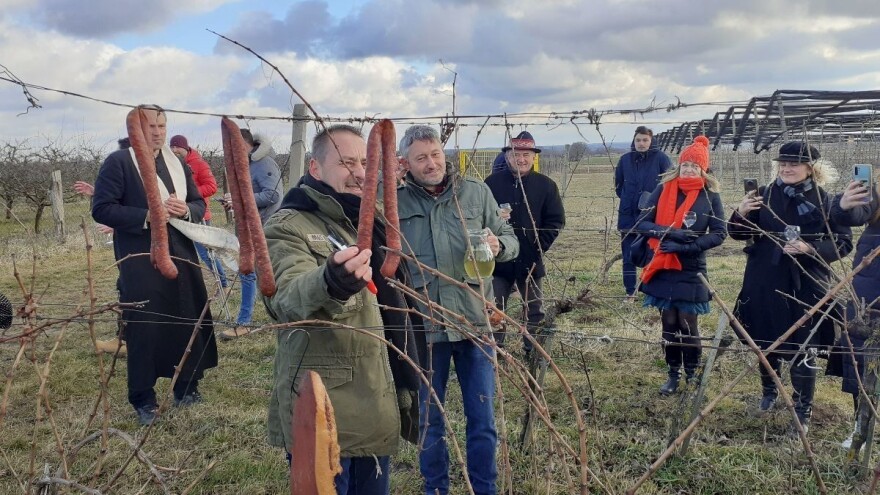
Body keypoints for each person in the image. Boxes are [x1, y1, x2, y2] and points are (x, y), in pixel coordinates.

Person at [262, 124, 404, 493]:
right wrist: (330, 281)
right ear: (315, 168)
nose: (358, 171)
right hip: (325, 403)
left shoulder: (371, 219)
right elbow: (286, 299)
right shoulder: (287, 225)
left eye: (364, 162)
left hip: (375, 398)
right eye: (345, 162)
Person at [397, 125, 519, 495]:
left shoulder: (475, 192)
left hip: (475, 323)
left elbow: (510, 239)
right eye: (421, 157)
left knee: (481, 419)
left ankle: (485, 488)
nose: (431, 163)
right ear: (406, 163)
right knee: (430, 419)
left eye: (435, 154)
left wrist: (500, 245)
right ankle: (435, 488)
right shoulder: (395, 202)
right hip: (425, 326)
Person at [92, 104, 217, 425]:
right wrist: (148, 215)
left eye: (162, 125)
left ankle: (186, 386)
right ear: (135, 129)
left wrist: (185, 208)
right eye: (151, 126)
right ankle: (143, 397)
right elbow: (103, 209)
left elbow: (199, 202)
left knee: (187, 316)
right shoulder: (119, 162)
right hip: (140, 257)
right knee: (145, 324)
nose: (158, 132)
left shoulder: (178, 162)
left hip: (183, 254)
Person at [729, 141, 852, 432]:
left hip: (806, 282)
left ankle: (802, 409)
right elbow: (737, 233)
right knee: (764, 339)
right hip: (764, 279)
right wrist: (741, 213)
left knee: (803, 343)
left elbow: (844, 243)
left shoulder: (827, 201)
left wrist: (810, 247)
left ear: (811, 169)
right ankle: (769, 394)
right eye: (782, 163)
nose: (786, 168)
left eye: (793, 164)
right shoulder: (763, 195)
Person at [636, 136, 726, 395]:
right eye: (685, 164)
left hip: (690, 267)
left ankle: (693, 374)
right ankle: (673, 373)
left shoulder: (709, 196)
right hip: (662, 263)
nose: (688, 169)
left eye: (694, 166)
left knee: (688, 324)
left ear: (703, 170)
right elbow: (642, 223)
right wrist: (667, 233)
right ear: (679, 166)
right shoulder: (664, 189)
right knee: (668, 323)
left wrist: (686, 246)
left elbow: (720, 233)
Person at [485, 131, 565, 356]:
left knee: (534, 309)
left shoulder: (546, 186)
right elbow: (481, 217)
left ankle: (533, 350)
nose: (521, 159)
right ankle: (495, 351)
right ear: (507, 156)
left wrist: (537, 249)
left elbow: (555, 221)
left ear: (533, 157)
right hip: (498, 261)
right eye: (516, 154)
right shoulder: (491, 184)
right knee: (494, 307)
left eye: (526, 154)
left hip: (531, 260)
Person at [827, 167, 880, 447]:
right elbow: (854, 214)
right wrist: (844, 205)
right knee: (861, 355)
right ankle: (861, 425)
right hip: (870, 289)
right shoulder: (877, 190)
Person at [218, 129, 283, 339]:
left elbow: (272, 195)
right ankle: (278, 314)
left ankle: (244, 322)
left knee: (248, 272)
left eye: (234, 146)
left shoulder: (263, 163)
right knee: (256, 272)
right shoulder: (246, 164)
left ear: (246, 144)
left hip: (262, 227)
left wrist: (240, 200)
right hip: (248, 227)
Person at [614, 126, 672, 300]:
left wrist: (652, 201)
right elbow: (618, 186)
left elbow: (669, 184)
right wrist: (629, 198)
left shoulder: (661, 158)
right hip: (628, 215)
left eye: (645, 140)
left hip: (653, 214)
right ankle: (630, 292)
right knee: (628, 255)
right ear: (634, 141)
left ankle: (651, 289)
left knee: (654, 252)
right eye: (638, 140)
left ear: (651, 141)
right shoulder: (624, 160)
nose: (641, 143)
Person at [169, 134, 226, 288]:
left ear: (185, 148)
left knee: (206, 253)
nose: (174, 150)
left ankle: (224, 284)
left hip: (198, 215)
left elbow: (212, 186)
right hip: (179, 216)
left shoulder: (199, 164)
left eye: (177, 147)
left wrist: (188, 194)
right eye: (172, 147)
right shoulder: (171, 165)